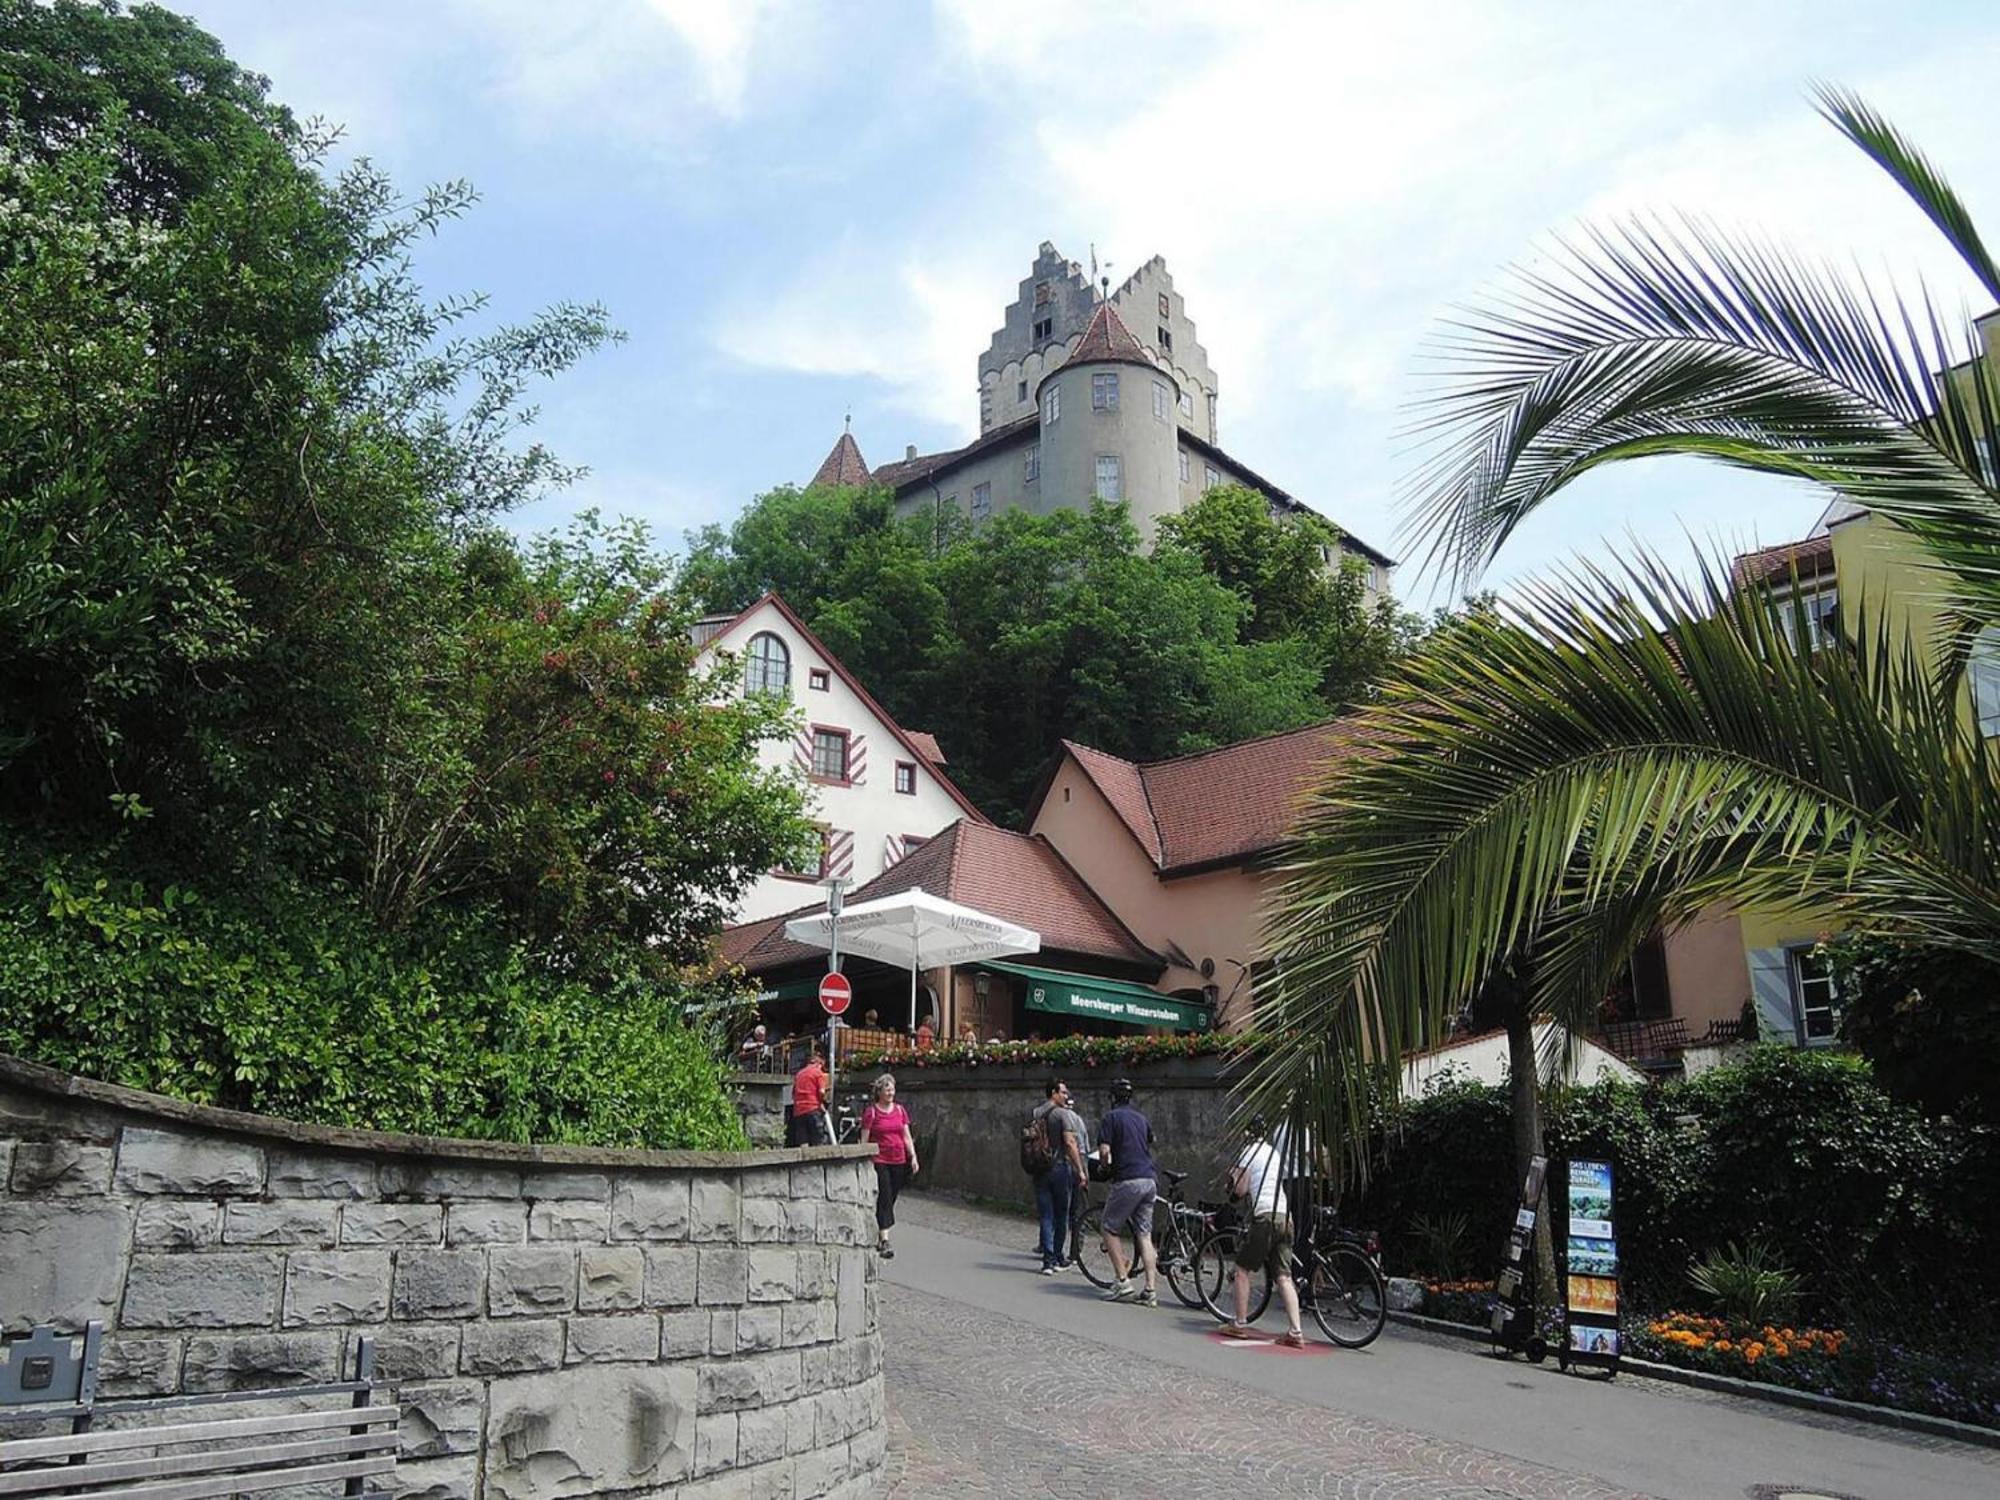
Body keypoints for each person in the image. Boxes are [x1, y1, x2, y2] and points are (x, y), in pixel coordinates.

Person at [1221, 1120, 1305, 1346]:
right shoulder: (1273, 1153)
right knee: (1284, 1276)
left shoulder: (1248, 1152)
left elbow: (1240, 1188)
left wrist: (1232, 1179)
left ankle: (1239, 1324)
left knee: (1241, 1269)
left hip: (1265, 1216)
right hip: (1285, 1216)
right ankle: (1296, 1332)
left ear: (1247, 1134)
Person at [1095, 1077, 1158, 1306]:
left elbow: (1104, 1151)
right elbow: (1151, 1139)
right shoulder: (1141, 1118)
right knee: (1145, 1234)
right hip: (1149, 1179)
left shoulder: (1111, 1118)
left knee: (1109, 1227)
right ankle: (1150, 1290)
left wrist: (1104, 1165)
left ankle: (1123, 1281)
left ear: (1113, 1097)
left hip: (1128, 1179)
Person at [1031, 1079, 1088, 1274]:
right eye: (1063, 1092)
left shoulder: (1036, 1112)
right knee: (1061, 1215)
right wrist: (1080, 1169)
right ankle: (1056, 1257)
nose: (1066, 1096)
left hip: (1040, 1168)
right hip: (1059, 1167)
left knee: (1046, 1215)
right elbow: (1070, 1143)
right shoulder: (1063, 1115)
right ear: (1054, 1093)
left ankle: (1047, 1260)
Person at [860, 1072, 918, 1257]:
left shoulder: (900, 1111)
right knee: (885, 1195)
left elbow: (906, 1136)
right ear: (879, 1092)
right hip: (880, 1160)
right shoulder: (872, 1112)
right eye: (887, 1089)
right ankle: (885, 1240)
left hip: (898, 1159)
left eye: (892, 1089)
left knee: (891, 1197)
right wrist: (864, 1159)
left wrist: (913, 1156)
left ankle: (878, 1227)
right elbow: (865, 1139)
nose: (891, 1092)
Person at [789, 1040, 829, 1147]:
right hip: (812, 1109)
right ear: (821, 1063)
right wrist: (822, 1103)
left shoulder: (799, 1074)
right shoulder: (818, 1072)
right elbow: (821, 1092)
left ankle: (804, 1163)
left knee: (803, 1141)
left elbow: (793, 1093)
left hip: (798, 1111)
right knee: (817, 1140)